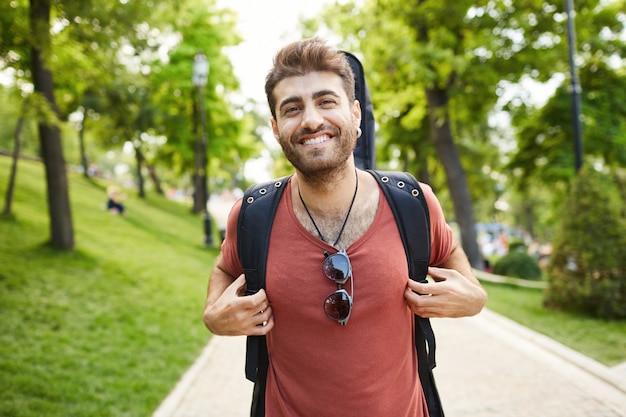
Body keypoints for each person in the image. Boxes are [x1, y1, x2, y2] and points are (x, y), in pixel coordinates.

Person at [203, 37, 487, 417]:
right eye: (292, 109)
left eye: (326, 101)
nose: (311, 120)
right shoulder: (254, 214)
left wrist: (474, 299)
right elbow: (225, 267)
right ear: (275, 127)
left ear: (355, 114)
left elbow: (449, 254)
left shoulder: (413, 203)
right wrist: (214, 316)